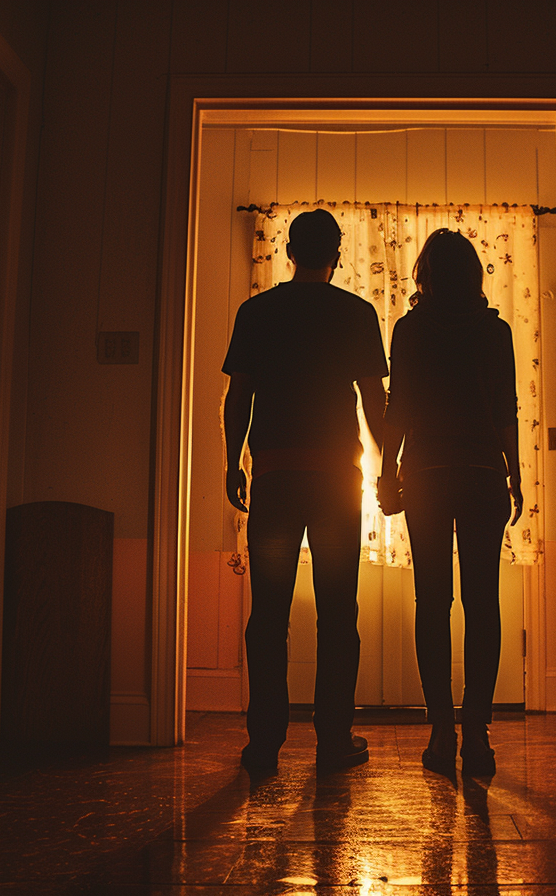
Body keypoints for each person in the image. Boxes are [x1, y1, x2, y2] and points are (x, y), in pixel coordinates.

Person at [222, 208, 388, 772]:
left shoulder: (257, 312)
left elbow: (238, 397)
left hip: (274, 474)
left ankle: (264, 742)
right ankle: (334, 739)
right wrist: (388, 465)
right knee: (338, 610)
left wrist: (232, 462)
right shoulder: (356, 313)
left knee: (268, 611)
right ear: (336, 255)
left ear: (289, 252)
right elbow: (373, 402)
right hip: (338, 478)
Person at [377, 229, 523, 777]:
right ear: (475, 275)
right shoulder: (496, 332)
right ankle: (477, 733)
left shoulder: (411, 330)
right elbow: (506, 407)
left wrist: (386, 471)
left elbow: (399, 408)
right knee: (483, 602)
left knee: (432, 601)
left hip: (428, 475)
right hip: (484, 471)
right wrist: (515, 475)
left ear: (426, 275)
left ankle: (441, 730)